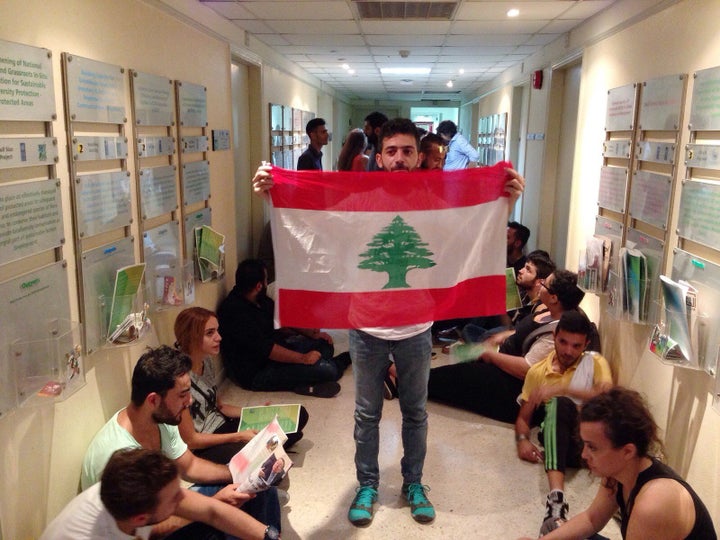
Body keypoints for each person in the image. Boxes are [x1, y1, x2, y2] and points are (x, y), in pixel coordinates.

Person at [251, 117, 526, 527]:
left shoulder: (435, 200)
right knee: (366, 414)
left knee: (416, 412)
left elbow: (471, 226)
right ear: (379, 157)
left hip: (417, 327)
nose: (399, 159)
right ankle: (367, 484)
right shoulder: (361, 199)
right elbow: (318, 224)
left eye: (408, 151)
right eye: (391, 151)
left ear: (419, 157)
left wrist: (506, 198)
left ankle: (413, 483)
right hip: (366, 327)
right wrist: (275, 190)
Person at [80, 346, 280, 539]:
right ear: (153, 400)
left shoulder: (161, 419)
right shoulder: (119, 457)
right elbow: (140, 531)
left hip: (156, 508)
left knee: (256, 482)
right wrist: (213, 504)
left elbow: (190, 466)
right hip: (137, 531)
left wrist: (240, 472)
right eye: (182, 394)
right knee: (219, 519)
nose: (190, 401)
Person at [519, 387, 717, 540]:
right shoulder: (619, 471)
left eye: (592, 447)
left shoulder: (654, 503)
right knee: (555, 528)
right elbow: (591, 519)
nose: (584, 454)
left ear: (627, 451)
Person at [428, 268, 584, 424]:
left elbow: (527, 369)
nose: (541, 284)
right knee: (450, 374)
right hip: (502, 363)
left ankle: (408, 386)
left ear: (554, 298)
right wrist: (504, 335)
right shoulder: (548, 311)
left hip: (512, 387)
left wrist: (490, 355)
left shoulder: (556, 333)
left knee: (446, 380)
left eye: (545, 284)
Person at [514, 311, 613, 536]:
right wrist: (522, 440)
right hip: (558, 441)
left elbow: (607, 397)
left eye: (576, 346)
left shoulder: (595, 362)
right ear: (554, 335)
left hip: (589, 445)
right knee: (556, 408)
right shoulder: (538, 372)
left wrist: (563, 389)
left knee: (561, 403)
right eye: (563, 342)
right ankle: (556, 501)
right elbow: (523, 418)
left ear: (586, 344)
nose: (568, 351)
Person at [173, 307, 309, 464]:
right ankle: (272, 444)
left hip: (224, 426)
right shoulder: (179, 379)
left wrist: (257, 413)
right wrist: (238, 436)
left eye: (217, 331)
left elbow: (220, 407)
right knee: (266, 462)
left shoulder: (206, 361)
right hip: (205, 445)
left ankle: (270, 443)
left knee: (299, 414)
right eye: (210, 333)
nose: (219, 338)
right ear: (191, 337)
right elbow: (191, 441)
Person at [42, 448, 272, 540]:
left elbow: (212, 511)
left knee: (255, 492)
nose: (184, 497)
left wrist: (269, 536)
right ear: (141, 518)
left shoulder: (127, 501)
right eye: (175, 498)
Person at [217, 258, 350, 397]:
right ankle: (324, 369)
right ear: (258, 286)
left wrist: (311, 334)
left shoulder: (259, 299)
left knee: (324, 344)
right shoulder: (235, 313)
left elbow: (281, 319)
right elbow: (268, 350)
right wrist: (303, 358)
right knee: (329, 370)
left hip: (277, 350)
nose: (267, 283)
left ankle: (306, 381)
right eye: (266, 279)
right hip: (258, 371)